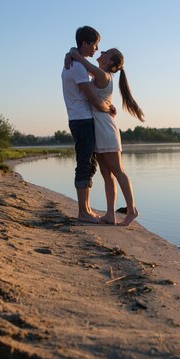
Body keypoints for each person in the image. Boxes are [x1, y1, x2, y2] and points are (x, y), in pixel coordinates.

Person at [66, 46, 144, 226]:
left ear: (109, 61)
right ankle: (110, 214)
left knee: (118, 171)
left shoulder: (103, 75)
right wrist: (70, 53)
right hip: (98, 128)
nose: (100, 53)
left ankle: (132, 210)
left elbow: (83, 62)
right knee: (106, 174)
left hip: (105, 128)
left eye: (104, 53)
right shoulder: (101, 75)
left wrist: (73, 54)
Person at [61, 26, 115, 223]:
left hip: (81, 119)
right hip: (81, 120)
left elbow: (95, 93)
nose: (96, 48)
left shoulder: (76, 63)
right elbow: (92, 98)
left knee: (89, 164)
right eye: (95, 44)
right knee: (84, 163)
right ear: (84, 44)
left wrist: (71, 53)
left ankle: (86, 209)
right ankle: (83, 212)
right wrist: (107, 108)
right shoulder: (77, 67)